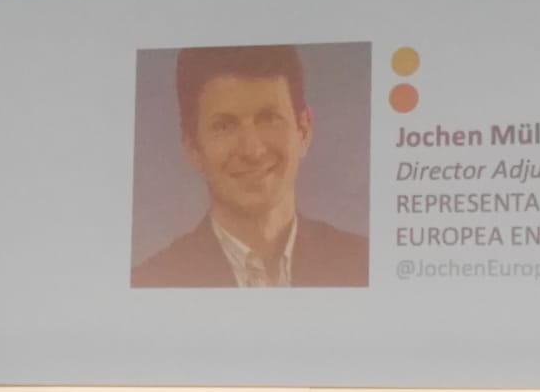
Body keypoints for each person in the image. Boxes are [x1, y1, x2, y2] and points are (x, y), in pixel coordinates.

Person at [131, 44, 368, 288]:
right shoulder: (149, 282)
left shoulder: (365, 265)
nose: (252, 151)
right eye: (224, 126)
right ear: (193, 148)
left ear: (304, 131)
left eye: (269, 118)